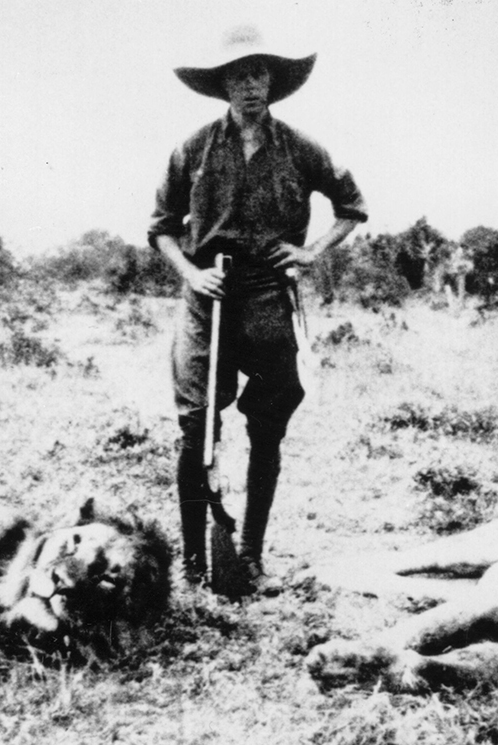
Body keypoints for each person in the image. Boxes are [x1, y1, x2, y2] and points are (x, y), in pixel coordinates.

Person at [149, 25, 367, 591]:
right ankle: (196, 563)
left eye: (258, 74)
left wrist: (311, 252)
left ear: (272, 82)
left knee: (267, 425)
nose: (250, 85)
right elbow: (162, 230)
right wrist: (192, 274)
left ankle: (250, 555)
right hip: (208, 294)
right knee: (197, 427)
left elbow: (351, 206)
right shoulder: (192, 148)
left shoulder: (301, 146)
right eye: (239, 76)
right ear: (223, 85)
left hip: (268, 294)